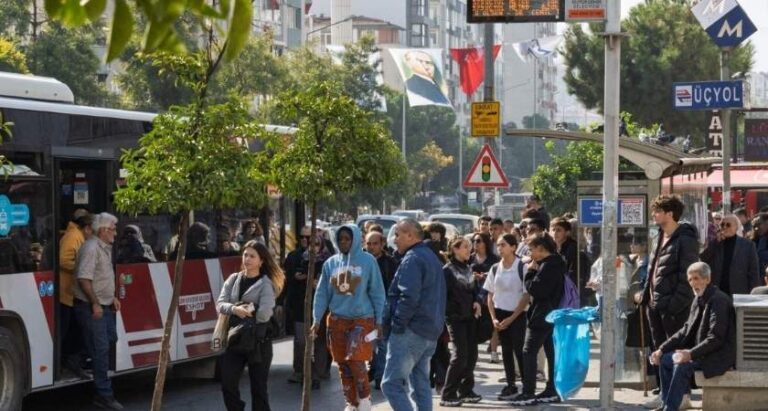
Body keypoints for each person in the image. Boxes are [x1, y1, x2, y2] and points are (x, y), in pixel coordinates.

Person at [312, 225, 386, 411]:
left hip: (362, 320)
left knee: (356, 360)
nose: (344, 242)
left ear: (355, 239)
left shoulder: (368, 261)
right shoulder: (330, 263)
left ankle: (364, 400)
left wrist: (379, 321)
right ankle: (351, 402)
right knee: (343, 364)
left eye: (348, 238)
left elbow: (377, 292)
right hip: (337, 320)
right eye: (341, 239)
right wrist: (316, 319)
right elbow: (321, 294)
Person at [650, 262, 736, 411]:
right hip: (699, 352)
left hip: (717, 355)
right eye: (690, 280)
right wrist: (661, 349)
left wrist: (690, 354)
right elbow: (685, 330)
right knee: (665, 359)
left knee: (682, 366)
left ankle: (670, 408)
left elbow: (715, 338)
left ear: (707, 279)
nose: (692, 283)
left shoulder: (719, 300)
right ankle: (666, 403)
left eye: (696, 278)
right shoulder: (698, 299)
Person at [639, 194, 698, 410]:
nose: (653, 214)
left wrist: (675, 304)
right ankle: (665, 394)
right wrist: (646, 296)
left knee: (677, 352)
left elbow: (687, 275)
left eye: (657, 211)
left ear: (669, 213)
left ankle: (682, 396)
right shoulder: (659, 236)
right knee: (659, 351)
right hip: (655, 305)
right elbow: (653, 269)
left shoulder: (686, 238)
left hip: (673, 307)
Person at [382, 219, 446, 411]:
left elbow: (408, 296)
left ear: (410, 235)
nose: (394, 240)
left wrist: (398, 325)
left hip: (411, 331)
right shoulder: (430, 257)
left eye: (398, 235)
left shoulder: (413, 258)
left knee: (391, 384)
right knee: (420, 385)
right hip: (428, 331)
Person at [217, 241, 285, 411]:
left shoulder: (266, 284)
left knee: (259, 389)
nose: (247, 259)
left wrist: (247, 309)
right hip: (235, 338)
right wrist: (235, 308)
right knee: (227, 383)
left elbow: (264, 314)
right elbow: (220, 304)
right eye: (245, 255)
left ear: (261, 261)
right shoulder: (233, 279)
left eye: (252, 256)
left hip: (259, 342)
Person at [72, 212, 122, 410]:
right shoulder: (91, 248)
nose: (115, 233)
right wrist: (95, 303)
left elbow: (102, 277)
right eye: (113, 229)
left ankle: (77, 357)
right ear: (103, 231)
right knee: (101, 349)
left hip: (104, 304)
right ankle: (104, 394)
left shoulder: (103, 247)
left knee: (110, 339)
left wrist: (112, 297)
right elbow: (84, 279)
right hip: (91, 305)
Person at [509, 234, 564, 406]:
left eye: (532, 249)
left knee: (529, 351)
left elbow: (536, 289)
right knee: (551, 352)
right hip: (549, 313)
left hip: (542, 315)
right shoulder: (554, 263)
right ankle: (552, 389)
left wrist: (531, 271)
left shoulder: (549, 265)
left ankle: (528, 392)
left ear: (541, 248)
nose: (530, 253)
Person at [485, 234, 529, 401]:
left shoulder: (521, 267)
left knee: (519, 349)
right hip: (500, 313)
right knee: (506, 351)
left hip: (517, 313)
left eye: (503, 245)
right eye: (498, 245)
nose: (500, 248)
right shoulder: (495, 268)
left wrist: (512, 318)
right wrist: (494, 318)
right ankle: (511, 384)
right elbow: (490, 294)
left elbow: (526, 296)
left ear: (513, 247)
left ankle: (527, 385)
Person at [440, 237, 482, 407]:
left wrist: (477, 301)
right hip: (455, 318)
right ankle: (448, 393)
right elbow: (443, 296)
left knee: (472, 354)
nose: (468, 250)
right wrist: (454, 310)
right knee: (460, 355)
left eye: (469, 247)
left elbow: (475, 291)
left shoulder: (469, 268)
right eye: (465, 247)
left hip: (470, 317)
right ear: (455, 249)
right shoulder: (447, 270)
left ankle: (466, 390)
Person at [58, 209, 93, 379]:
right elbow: (64, 260)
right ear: (85, 227)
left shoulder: (76, 235)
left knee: (72, 330)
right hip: (67, 292)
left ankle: (69, 362)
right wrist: (82, 269)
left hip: (71, 292)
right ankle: (65, 362)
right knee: (68, 331)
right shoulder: (73, 236)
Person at [365, 231, 399, 389]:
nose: (371, 247)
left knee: (382, 343)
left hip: (384, 310)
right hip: (363, 310)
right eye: (369, 244)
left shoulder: (391, 263)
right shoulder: (361, 262)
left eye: (375, 243)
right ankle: (373, 370)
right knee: (366, 342)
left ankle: (380, 377)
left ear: (382, 244)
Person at [700, 214, 760, 296]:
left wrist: (753, 294)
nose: (724, 227)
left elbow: (753, 272)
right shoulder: (716, 243)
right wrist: (715, 243)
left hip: (739, 291)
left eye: (728, 225)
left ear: (736, 227)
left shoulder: (748, 245)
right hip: (718, 291)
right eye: (722, 224)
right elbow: (704, 259)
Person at [469, 231, 500, 362]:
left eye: (479, 241)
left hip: (489, 295)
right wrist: (472, 276)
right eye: (474, 241)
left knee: (492, 325)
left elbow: (499, 275)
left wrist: (487, 276)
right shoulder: (470, 258)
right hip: (472, 295)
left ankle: (493, 352)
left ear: (486, 243)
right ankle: (472, 353)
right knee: (473, 325)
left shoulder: (494, 259)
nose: (476, 244)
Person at [550, 217, 592, 307]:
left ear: (567, 233)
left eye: (558, 230)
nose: (555, 233)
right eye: (553, 230)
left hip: (571, 296)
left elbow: (574, 277)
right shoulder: (555, 248)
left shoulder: (572, 249)